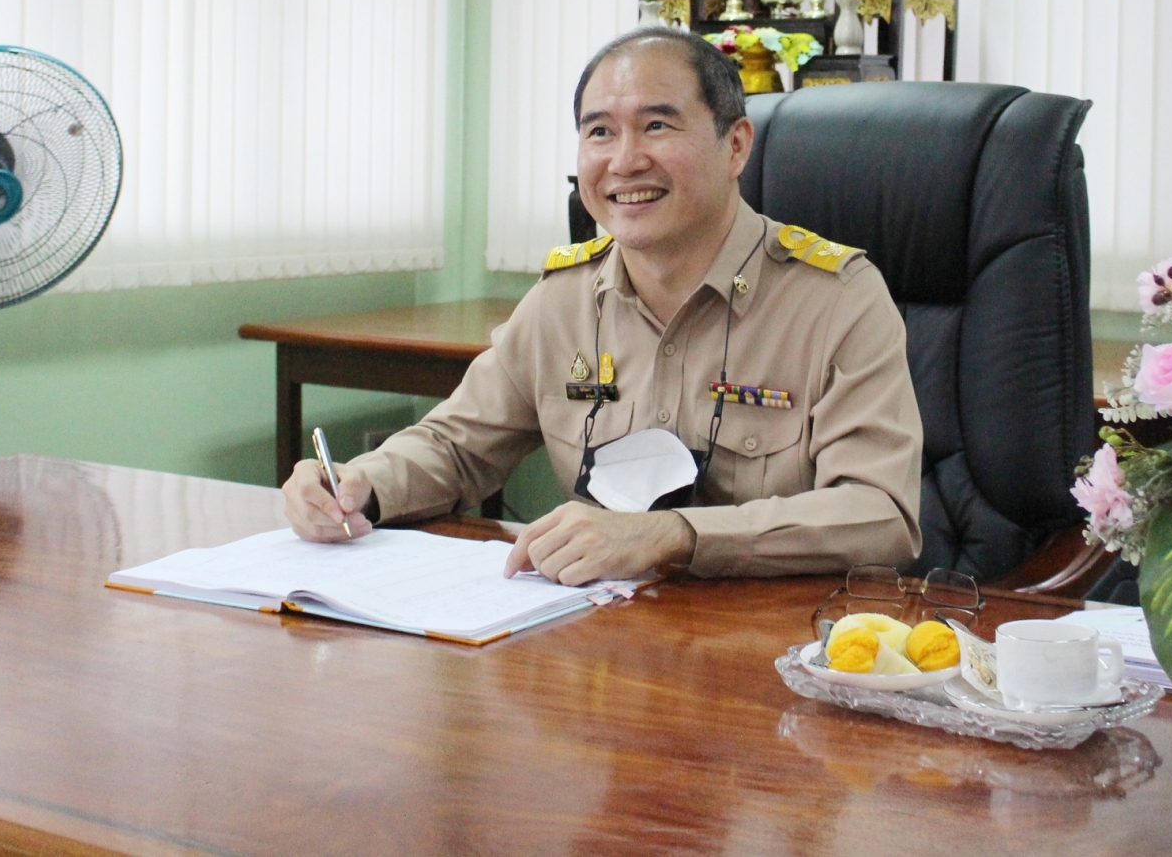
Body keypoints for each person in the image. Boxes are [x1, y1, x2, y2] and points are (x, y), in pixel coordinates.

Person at [281, 28, 922, 584]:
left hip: (770, 649)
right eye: (599, 132)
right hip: (596, 645)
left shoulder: (837, 299)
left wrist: (675, 535)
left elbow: (880, 515)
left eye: (657, 125)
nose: (624, 160)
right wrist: (361, 482)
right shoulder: (563, 298)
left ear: (735, 146)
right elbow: (456, 446)